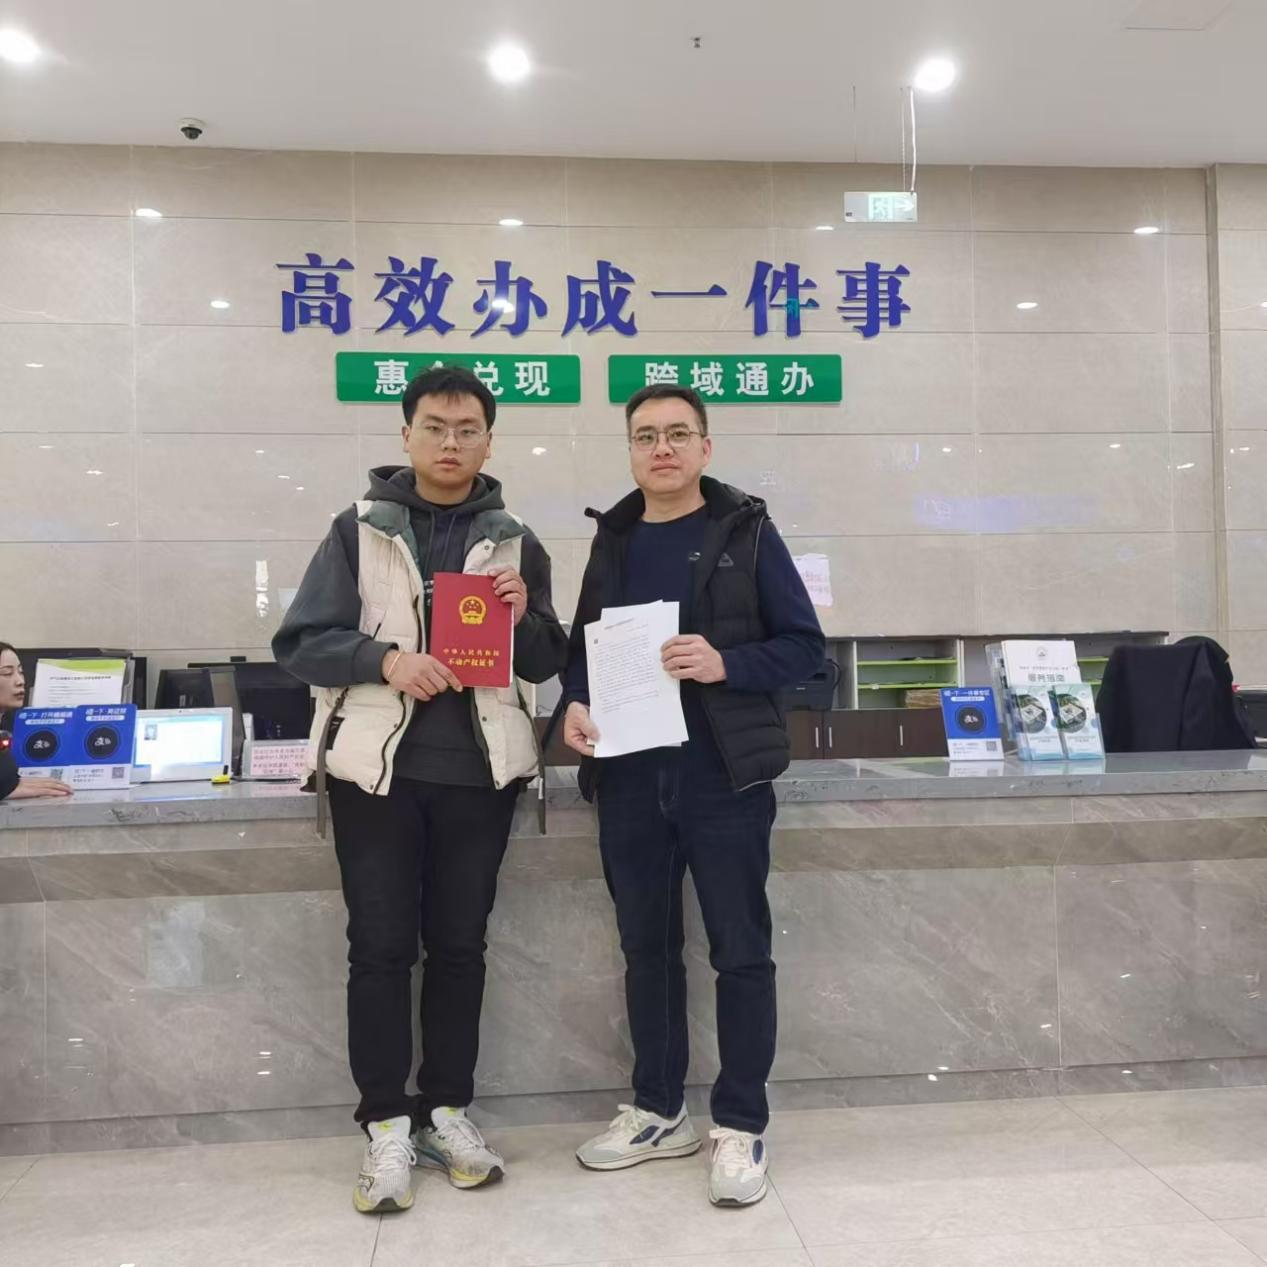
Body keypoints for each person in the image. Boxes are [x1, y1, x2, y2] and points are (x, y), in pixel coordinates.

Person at [274, 364, 567, 1215]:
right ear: (406, 434)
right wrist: (386, 660)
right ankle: (384, 1122)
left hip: (480, 776)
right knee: (379, 948)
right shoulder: (357, 529)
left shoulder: (517, 540)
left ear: (488, 440)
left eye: (467, 428)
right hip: (377, 776)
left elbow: (546, 657)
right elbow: (301, 641)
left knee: (461, 946)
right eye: (434, 426)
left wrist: (524, 613)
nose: (450, 442)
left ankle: (446, 1110)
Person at [561, 384, 825, 1207]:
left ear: (705, 448)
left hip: (722, 775)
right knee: (645, 949)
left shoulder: (746, 531)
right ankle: (658, 1109)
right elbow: (582, 651)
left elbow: (804, 648)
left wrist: (725, 663)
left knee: (739, 950)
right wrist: (574, 703)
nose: (662, 448)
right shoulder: (614, 537)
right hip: (630, 775)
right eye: (645, 436)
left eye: (678, 433)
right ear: (630, 451)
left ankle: (740, 1122)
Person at [0, 642, 72, 802]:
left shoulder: (10, 724)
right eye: (7, 673)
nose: (19, 681)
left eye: (21, 672)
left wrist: (9, 785)